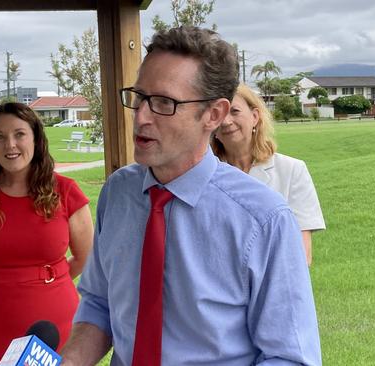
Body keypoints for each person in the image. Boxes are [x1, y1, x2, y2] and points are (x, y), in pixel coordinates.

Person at [60, 27, 321, 365]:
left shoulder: (263, 219)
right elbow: (99, 304)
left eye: (164, 103)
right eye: (140, 97)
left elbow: (290, 356)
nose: (141, 116)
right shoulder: (119, 192)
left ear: (214, 114)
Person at [0, 102, 93, 365]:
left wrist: (48, 279)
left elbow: (85, 257)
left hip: (55, 322)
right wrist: (0, 281)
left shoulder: (66, 191)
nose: (10, 145)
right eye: (0, 137)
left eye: (19, 134)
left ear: (36, 139)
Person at [212, 83, 326, 265]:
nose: (226, 121)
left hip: (275, 285)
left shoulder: (292, 170)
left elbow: (302, 255)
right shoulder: (205, 175)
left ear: (255, 117)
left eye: (234, 111)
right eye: (219, 113)